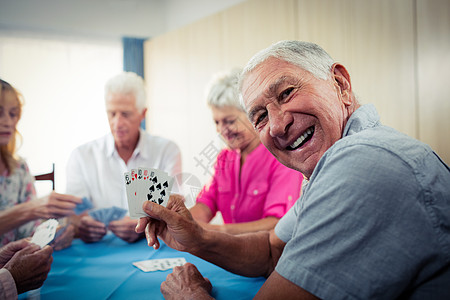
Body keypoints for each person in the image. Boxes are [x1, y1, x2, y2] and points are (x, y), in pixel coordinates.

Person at [135, 40, 450, 299]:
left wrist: (189, 295)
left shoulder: (361, 165)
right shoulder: (329, 163)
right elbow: (274, 250)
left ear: (341, 85)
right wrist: (196, 238)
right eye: (259, 115)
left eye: (286, 94)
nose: (277, 125)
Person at [67, 72, 182, 244]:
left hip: (151, 245)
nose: (117, 123)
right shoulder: (81, 156)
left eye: (125, 114)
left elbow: (173, 209)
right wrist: (81, 225)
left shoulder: (167, 150)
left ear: (143, 114)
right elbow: (72, 215)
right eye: (112, 113)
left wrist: (145, 223)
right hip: (97, 250)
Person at [190, 68, 303, 234]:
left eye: (229, 121)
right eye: (217, 122)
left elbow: (276, 224)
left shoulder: (281, 157)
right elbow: (205, 204)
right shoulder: (224, 157)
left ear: (253, 114)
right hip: (227, 254)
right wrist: (177, 220)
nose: (222, 130)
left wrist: (214, 231)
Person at [0, 79, 81, 249]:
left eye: (13, 114)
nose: (7, 121)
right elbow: (30, 212)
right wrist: (30, 209)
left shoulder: (19, 168)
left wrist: (56, 233)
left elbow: (30, 230)